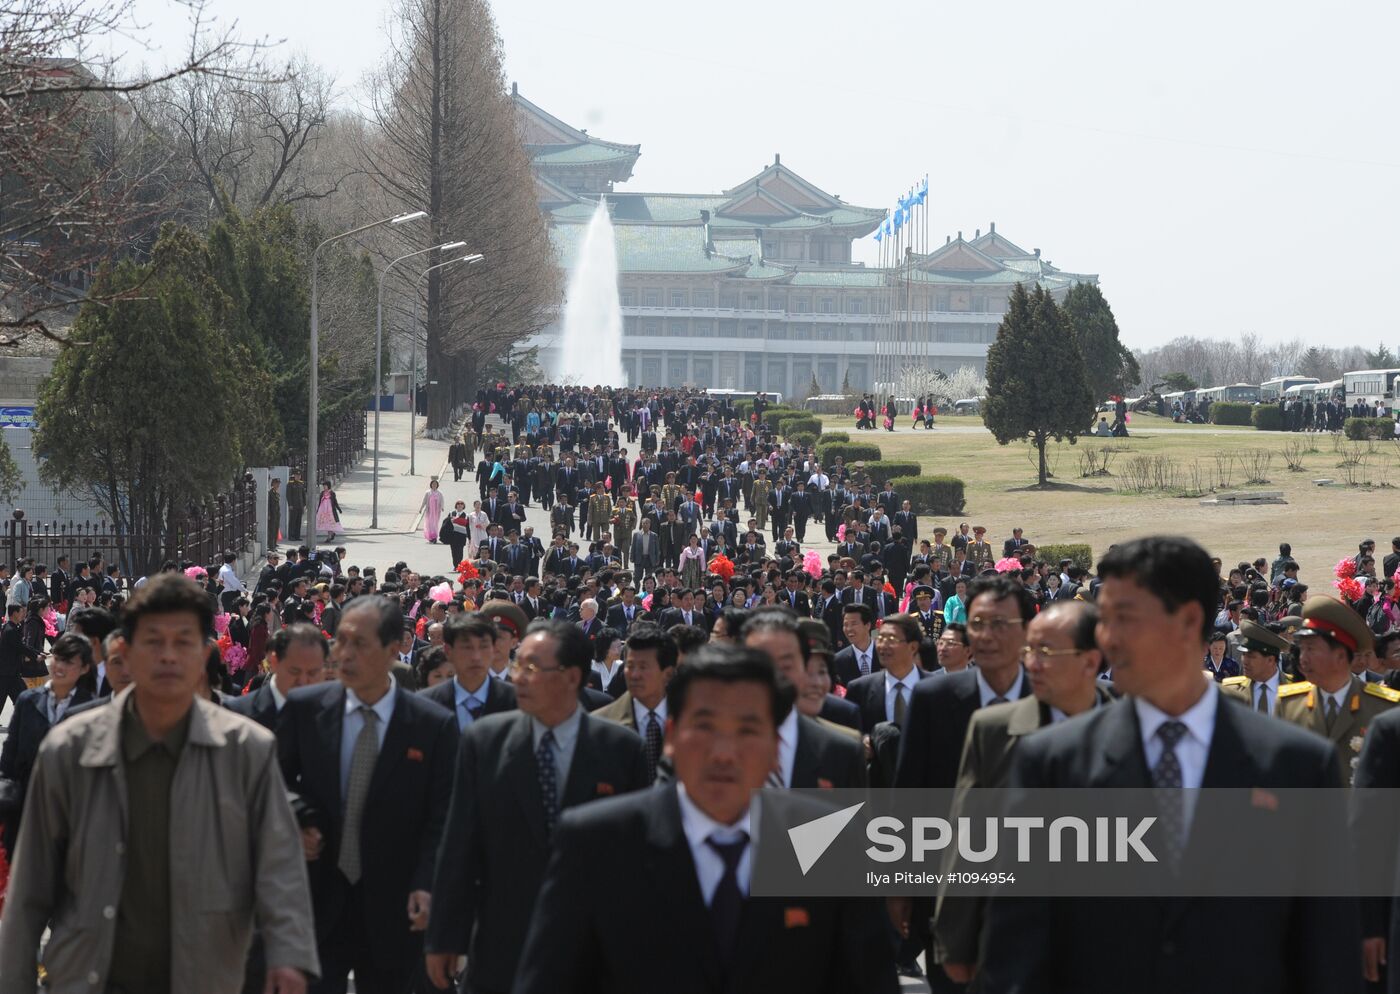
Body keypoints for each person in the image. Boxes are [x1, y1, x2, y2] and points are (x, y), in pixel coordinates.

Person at [975, 536, 1357, 994]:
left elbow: (1326, 950)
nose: (1106, 638)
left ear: (1189, 620)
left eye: (1125, 619)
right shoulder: (1054, 763)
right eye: (1103, 620)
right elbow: (1016, 948)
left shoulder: (1296, 767)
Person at [510, 645, 899, 994]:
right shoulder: (597, 843)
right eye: (706, 727)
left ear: (776, 747)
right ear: (674, 734)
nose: (724, 753)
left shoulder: (831, 843)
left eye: (748, 730)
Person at [0, 573, 318, 994]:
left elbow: (280, 869)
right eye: (153, 642)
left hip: (206, 976)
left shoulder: (246, 751)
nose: (168, 656)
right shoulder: (69, 750)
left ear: (205, 653)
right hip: (88, 975)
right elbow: (30, 889)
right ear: (125, 652)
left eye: (183, 642)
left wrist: (290, 957)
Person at [424, 619, 649, 994]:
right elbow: (460, 843)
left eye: (531, 669)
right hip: (503, 944)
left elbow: (639, 858)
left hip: (593, 949)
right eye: (517, 666)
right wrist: (444, 935)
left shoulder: (622, 750)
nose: (518, 678)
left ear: (572, 676)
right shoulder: (485, 742)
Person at [276, 596, 459, 994]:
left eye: (359, 644)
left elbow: (443, 816)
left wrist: (427, 884)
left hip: (395, 908)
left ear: (394, 649)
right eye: (340, 641)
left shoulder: (433, 726)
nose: (343, 653)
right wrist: (300, 814)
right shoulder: (306, 708)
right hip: (316, 900)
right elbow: (274, 783)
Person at [932, 601, 1114, 984]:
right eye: (1029, 650)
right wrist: (955, 941)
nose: (1031, 663)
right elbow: (967, 843)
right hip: (1016, 942)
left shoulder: (1136, 723)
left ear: (1090, 660)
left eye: (1045, 653)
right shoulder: (993, 729)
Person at [1276, 594, 1400, 785]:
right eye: (1302, 649)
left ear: (1341, 656)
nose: (1303, 658)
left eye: (1311, 649)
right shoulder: (1289, 704)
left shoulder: (1383, 707)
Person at [0, 632, 95, 854]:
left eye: (69, 661)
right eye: (57, 658)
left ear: (84, 668)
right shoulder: (28, 700)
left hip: (72, 809)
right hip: (26, 804)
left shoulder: (92, 708)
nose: (59, 666)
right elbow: (10, 754)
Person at [591, 622, 678, 782]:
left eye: (644, 667)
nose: (635, 674)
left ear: (668, 674)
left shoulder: (689, 721)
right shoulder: (599, 726)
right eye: (630, 666)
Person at [419, 613, 517, 729]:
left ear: (493, 649)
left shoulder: (517, 701)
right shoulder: (424, 705)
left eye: (483, 646)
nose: (476, 657)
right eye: (467, 647)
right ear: (448, 651)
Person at [225, 623, 328, 730]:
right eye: (294, 671)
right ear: (274, 662)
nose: (302, 681)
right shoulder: (239, 713)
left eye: (312, 673)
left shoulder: (332, 715)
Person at [843, 612, 933, 734]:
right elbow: (849, 736)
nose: (883, 645)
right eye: (880, 638)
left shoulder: (937, 688)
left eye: (891, 639)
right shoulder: (860, 689)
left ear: (913, 647)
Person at [1218, 619, 1292, 715]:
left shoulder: (1295, 689)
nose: (1244, 661)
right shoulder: (1231, 691)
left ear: (1270, 660)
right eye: (1243, 655)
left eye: (1251, 656)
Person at [421, 478, 445, 544]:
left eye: (435, 484)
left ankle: (434, 537)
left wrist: (442, 507)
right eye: (433, 484)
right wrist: (421, 508)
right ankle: (430, 537)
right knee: (429, 524)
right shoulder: (428, 492)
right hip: (429, 512)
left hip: (436, 512)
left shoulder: (439, 493)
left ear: (437, 485)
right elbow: (424, 501)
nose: (434, 485)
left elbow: (442, 501)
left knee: (435, 524)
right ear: (431, 485)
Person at [269, 476, 284, 549]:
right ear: (273, 484)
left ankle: (274, 544)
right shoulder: (270, 493)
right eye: (276, 484)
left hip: (277, 514)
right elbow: (269, 505)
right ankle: (271, 545)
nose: (278, 485)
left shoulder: (276, 493)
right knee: (272, 530)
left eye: (278, 484)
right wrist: (269, 514)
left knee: (276, 530)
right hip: (272, 515)